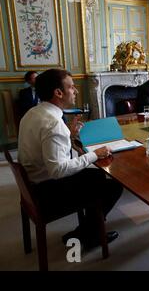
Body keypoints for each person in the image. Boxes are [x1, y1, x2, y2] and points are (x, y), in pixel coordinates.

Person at [18, 69, 123, 249]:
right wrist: (94, 155)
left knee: (96, 177)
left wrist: (69, 135)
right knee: (113, 185)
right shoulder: (54, 124)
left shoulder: (33, 113)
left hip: (33, 183)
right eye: (72, 87)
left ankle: (85, 231)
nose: (75, 91)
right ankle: (90, 236)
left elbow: (48, 147)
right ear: (58, 93)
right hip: (46, 191)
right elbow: (58, 170)